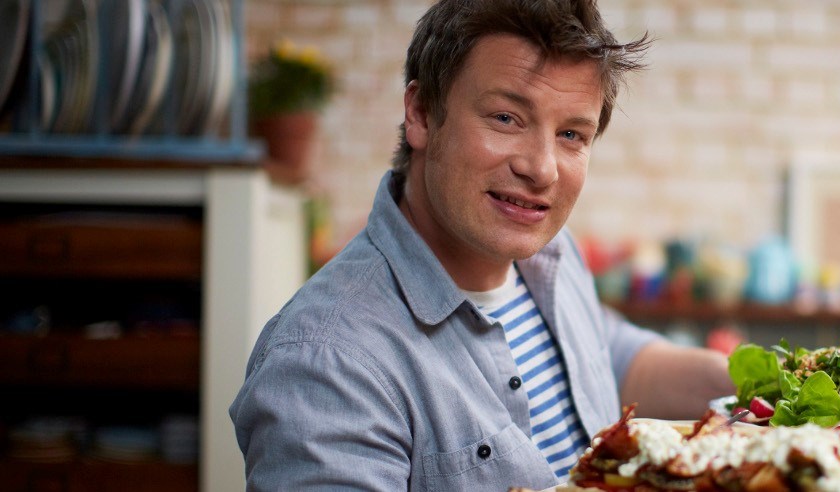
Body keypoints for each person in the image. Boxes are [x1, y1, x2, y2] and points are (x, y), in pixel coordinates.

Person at [229, 0, 735, 490]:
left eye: (571, 134)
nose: (541, 169)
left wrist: (754, 381)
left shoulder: (550, 255)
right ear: (422, 113)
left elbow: (608, 359)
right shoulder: (327, 363)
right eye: (506, 118)